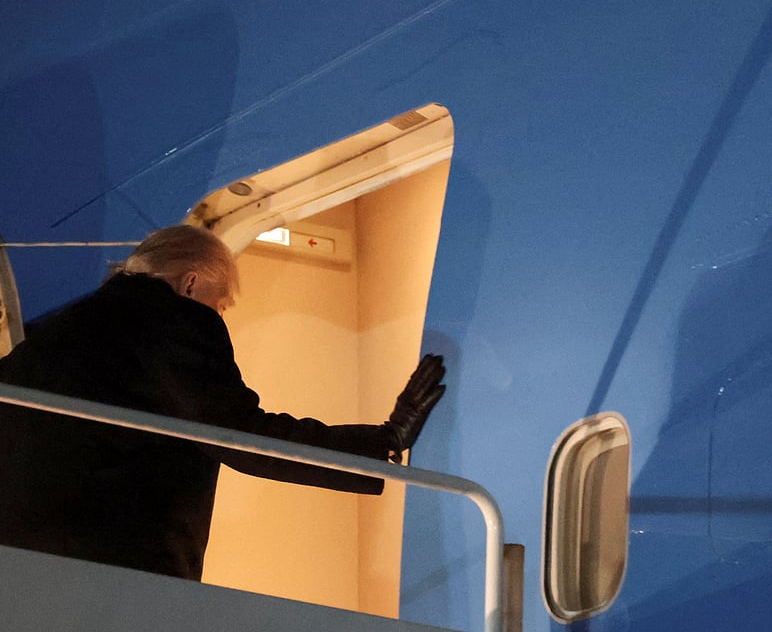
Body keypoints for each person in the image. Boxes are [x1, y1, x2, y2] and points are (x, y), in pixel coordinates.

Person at [0, 225, 445, 581]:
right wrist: (381, 445)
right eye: (220, 303)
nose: (217, 315)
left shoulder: (53, 335)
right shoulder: (171, 316)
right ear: (191, 282)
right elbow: (241, 436)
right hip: (115, 572)